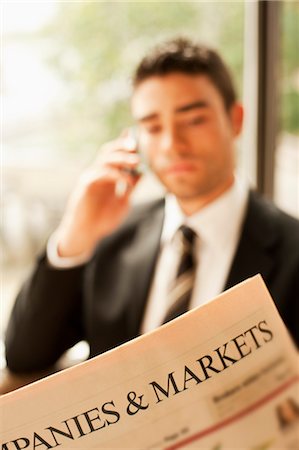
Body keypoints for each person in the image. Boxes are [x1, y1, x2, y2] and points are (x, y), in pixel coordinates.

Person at [4, 38, 299, 383]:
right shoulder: (111, 238)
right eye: (153, 127)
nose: (172, 144)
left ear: (235, 119)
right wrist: (74, 237)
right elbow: (24, 354)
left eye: (194, 120)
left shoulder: (292, 250)